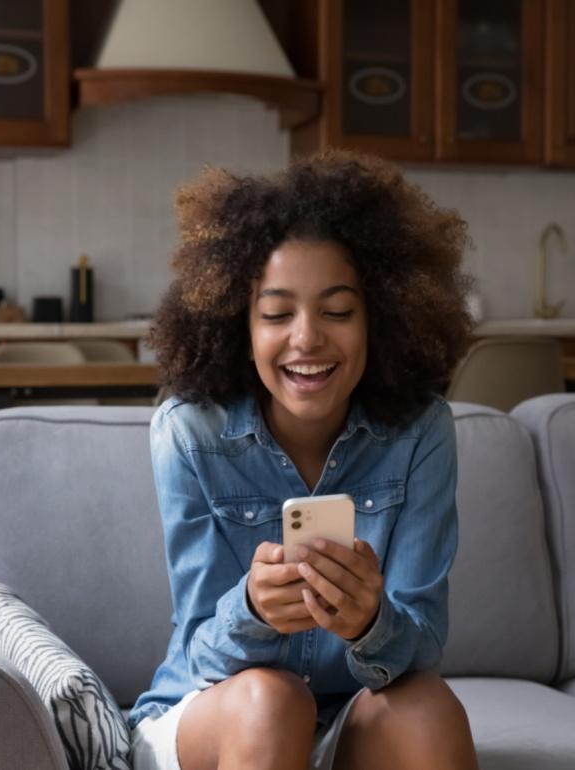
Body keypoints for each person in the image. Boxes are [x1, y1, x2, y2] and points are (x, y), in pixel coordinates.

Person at [131, 150, 479, 770]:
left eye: (338, 311)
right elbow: (199, 653)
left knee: (429, 708)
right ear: (241, 327)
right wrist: (253, 610)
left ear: (379, 320)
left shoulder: (421, 432)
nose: (307, 338)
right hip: (216, 715)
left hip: (346, 720)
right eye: (276, 314)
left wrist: (371, 621)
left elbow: (422, 648)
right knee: (273, 702)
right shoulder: (189, 433)